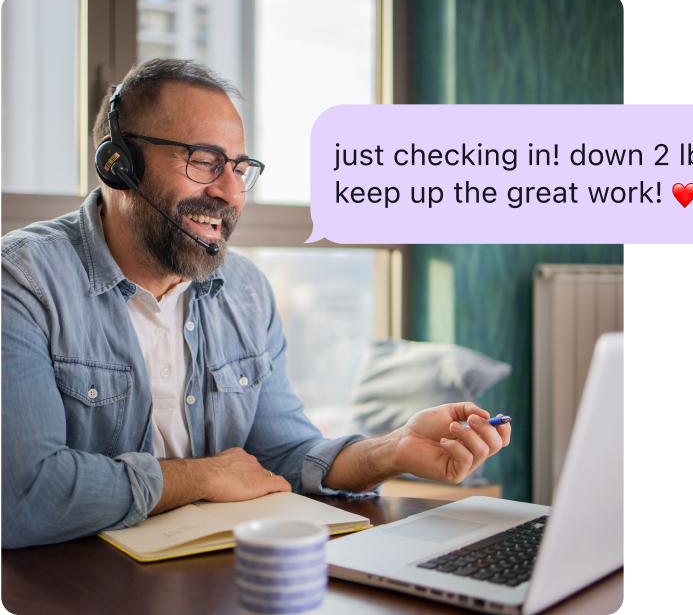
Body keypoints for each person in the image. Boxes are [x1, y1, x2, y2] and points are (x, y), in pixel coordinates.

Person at [0, 59, 510, 549]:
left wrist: (391, 449)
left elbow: (282, 453)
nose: (231, 192)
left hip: (216, 575)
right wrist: (203, 476)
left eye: (241, 167)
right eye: (205, 161)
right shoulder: (23, 281)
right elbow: (22, 495)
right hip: (72, 582)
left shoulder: (245, 290)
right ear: (120, 165)